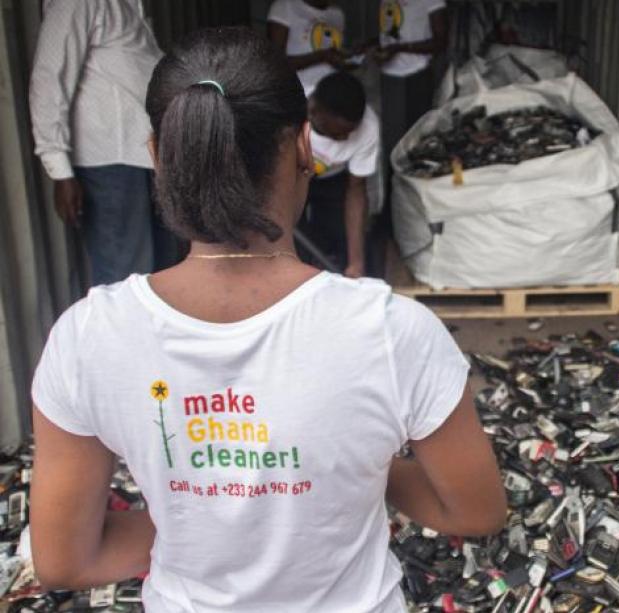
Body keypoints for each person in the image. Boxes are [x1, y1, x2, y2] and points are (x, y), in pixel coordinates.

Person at [29, 27, 506, 612]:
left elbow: (65, 560)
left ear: (157, 155)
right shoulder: (392, 331)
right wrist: (357, 472)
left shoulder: (86, 337)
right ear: (305, 147)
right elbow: (476, 510)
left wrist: (203, 534)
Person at [29, 0, 165, 286]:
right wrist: (59, 168)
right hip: (110, 162)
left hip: (144, 155)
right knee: (124, 280)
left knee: (159, 276)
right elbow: (50, 77)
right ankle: (123, 332)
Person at [373, 0, 448, 238]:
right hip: (389, 77)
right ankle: (391, 217)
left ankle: (411, 215)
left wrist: (402, 48)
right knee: (389, 150)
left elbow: (440, 41)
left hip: (414, 77)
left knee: (413, 149)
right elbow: (388, 36)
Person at [299, 72, 379, 278]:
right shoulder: (287, 111)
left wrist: (356, 264)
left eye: (350, 132)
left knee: (347, 243)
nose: (345, 139)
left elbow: (356, 191)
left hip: (334, 181)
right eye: (336, 133)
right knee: (294, 246)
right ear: (313, 111)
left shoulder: (369, 128)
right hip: (289, 178)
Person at [267, 0, 347, 95]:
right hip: (299, 93)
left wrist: (353, 58)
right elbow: (275, 64)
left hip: (331, 93)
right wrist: (321, 57)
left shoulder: (337, 14)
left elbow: (335, 57)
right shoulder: (285, 6)